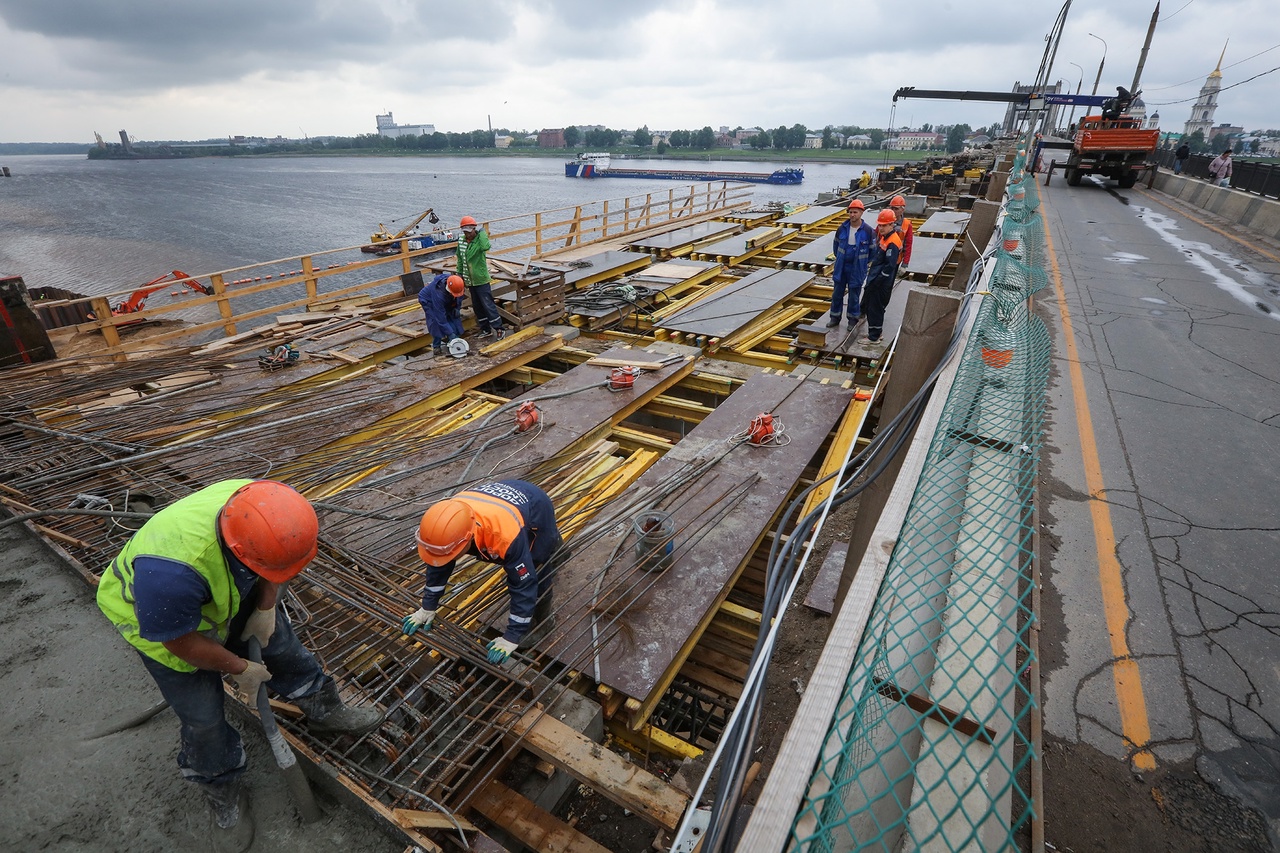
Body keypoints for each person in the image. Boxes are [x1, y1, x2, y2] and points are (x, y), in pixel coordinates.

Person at [96, 480, 383, 840]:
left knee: (284, 649)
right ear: (239, 548)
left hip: (222, 585)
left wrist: (265, 608)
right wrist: (241, 669)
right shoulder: (170, 575)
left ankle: (325, 710)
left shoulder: (261, 503)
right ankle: (222, 790)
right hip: (166, 626)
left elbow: (271, 566)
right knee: (203, 719)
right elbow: (181, 643)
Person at [404, 480, 563, 664]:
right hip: (499, 500)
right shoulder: (448, 522)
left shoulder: (504, 538)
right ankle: (556, 547)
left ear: (467, 539)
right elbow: (439, 561)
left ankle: (544, 622)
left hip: (536, 503)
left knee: (537, 564)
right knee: (534, 550)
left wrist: (512, 636)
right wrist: (427, 606)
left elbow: (524, 585)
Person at [827, 198, 875, 328]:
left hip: (857, 268)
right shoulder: (842, 228)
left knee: (854, 295)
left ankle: (852, 320)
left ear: (861, 213)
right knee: (837, 293)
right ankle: (834, 317)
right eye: (851, 212)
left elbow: (872, 251)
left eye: (855, 212)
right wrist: (841, 258)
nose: (852, 215)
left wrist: (864, 263)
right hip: (842, 266)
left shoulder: (868, 231)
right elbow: (836, 246)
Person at [456, 215, 505, 340]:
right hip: (470, 281)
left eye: (469, 232)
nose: (467, 235)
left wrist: (483, 233)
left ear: (474, 229)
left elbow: (485, 247)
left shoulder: (479, 241)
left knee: (488, 305)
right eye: (465, 232)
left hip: (481, 280)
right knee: (477, 306)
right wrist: (460, 274)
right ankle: (485, 329)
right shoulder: (461, 242)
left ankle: (499, 329)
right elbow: (460, 259)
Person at [859, 209, 904, 345]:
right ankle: (876, 333)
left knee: (875, 308)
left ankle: (874, 337)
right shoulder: (886, 238)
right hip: (876, 278)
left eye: (884, 225)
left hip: (881, 282)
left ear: (891, 224)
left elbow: (889, 266)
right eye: (880, 225)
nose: (881, 228)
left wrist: (877, 281)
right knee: (872, 307)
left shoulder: (892, 242)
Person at [419, 273, 466, 356]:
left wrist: (457, 308)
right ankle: (436, 346)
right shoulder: (438, 295)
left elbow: (459, 297)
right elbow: (440, 318)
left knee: (454, 318)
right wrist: (450, 333)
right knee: (436, 322)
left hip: (447, 299)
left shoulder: (457, 284)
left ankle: (452, 341)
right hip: (428, 301)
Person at [889, 195, 914, 271]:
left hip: (896, 259)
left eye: (896, 209)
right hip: (882, 258)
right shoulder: (885, 220)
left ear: (902, 210)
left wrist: (905, 264)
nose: (893, 211)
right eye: (892, 208)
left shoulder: (907, 224)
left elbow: (908, 245)